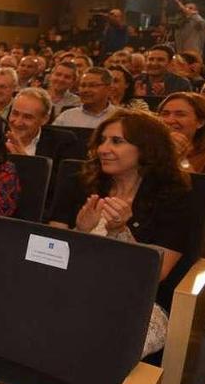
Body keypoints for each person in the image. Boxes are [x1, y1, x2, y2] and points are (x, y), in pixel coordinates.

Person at [48, 110, 192, 312]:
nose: (103, 149)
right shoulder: (78, 182)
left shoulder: (173, 196)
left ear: (146, 148)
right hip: (69, 286)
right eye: (102, 141)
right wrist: (81, 232)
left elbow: (154, 274)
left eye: (116, 141)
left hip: (134, 301)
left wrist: (120, 231)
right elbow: (52, 254)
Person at [158, 92, 205, 208]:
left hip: (185, 215)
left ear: (200, 122)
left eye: (180, 115)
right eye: (165, 114)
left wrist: (181, 159)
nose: (170, 120)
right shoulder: (144, 148)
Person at [53, 67, 118, 129]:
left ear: (109, 89)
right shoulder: (66, 117)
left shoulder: (119, 116)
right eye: (83, 85)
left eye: (92, 85)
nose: (86, 90)